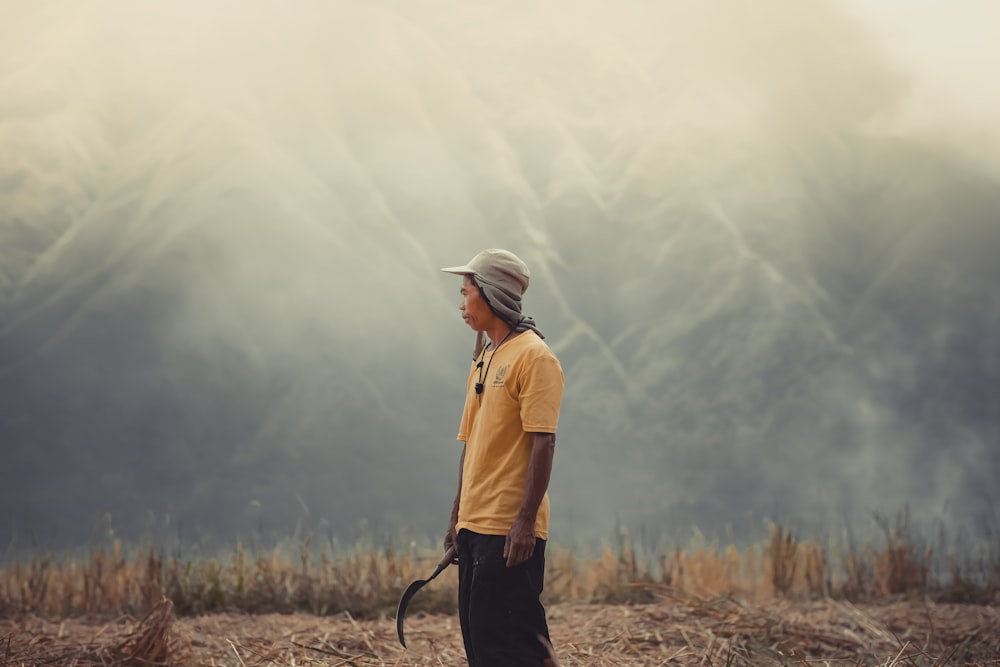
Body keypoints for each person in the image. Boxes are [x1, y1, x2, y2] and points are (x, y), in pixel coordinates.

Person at [440, 248, 564, 667]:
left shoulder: (535, 357)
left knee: (518, 650)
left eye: (466, 292)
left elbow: (543, 443)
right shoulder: (485, 358)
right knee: (483, 650)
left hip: (508, 533)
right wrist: (459, 517)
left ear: (491, 295)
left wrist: (525, 522)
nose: (461, 303)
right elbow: (470, 443)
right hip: (475, 528)